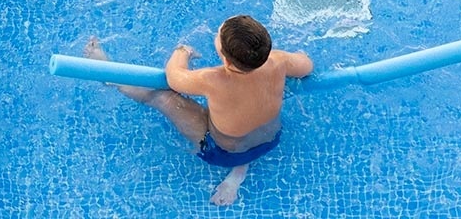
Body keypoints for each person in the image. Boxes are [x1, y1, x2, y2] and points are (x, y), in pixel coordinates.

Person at [85, 15, 313, 205]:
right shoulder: (278, 60)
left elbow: (174, 78)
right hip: (269, 139)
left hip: (222, 153)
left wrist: (182, 51)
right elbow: (306, 65)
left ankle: (110, 78)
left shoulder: (213, 79)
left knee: (162, 96)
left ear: (224, 56)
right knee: (239, 122)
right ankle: (239, 172)